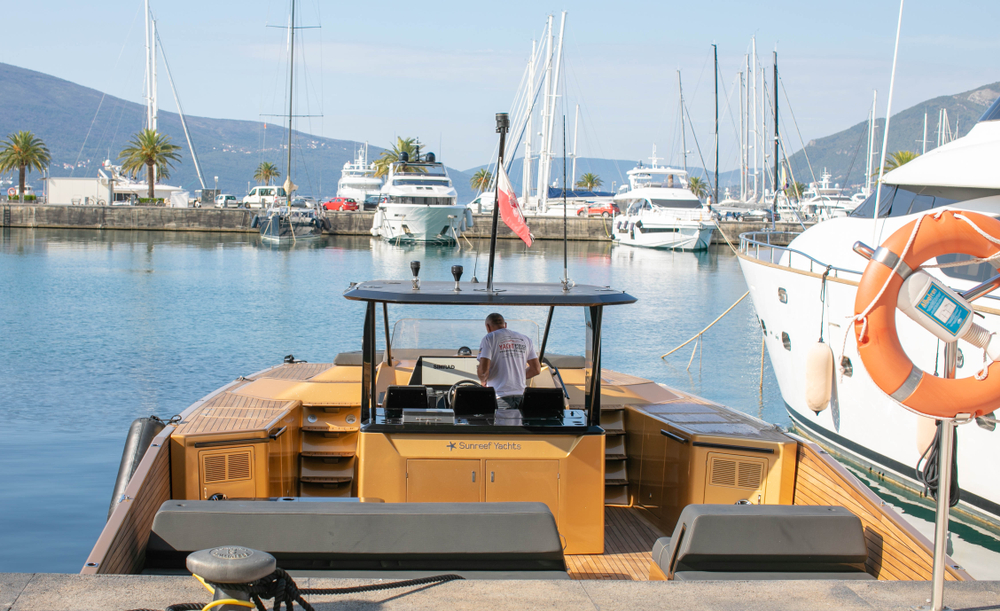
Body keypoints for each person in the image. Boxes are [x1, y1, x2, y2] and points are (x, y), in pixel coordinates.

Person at [477, 312, 541, 415]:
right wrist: (516, 376)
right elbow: (536, 370)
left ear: (488, 327)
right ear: (505, 325)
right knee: (518, 429)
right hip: (522, 397)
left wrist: (482, 380)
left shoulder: (489, 338)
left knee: (503, 430)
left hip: (500, 396)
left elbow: (484, 372)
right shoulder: (525, 339)